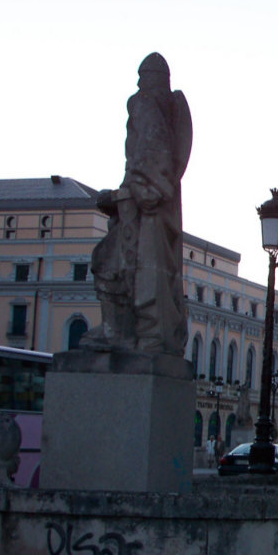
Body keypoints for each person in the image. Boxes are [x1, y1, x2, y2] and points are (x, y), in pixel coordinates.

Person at [81, 52, 192, 355]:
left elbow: (148, 161)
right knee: (126, 267)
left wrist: (126, 193)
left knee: (112, 264)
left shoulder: (144, 103)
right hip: (147, 203)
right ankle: (132, 332)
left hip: (141, 208)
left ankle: (121, 332)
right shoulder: (169, 107)